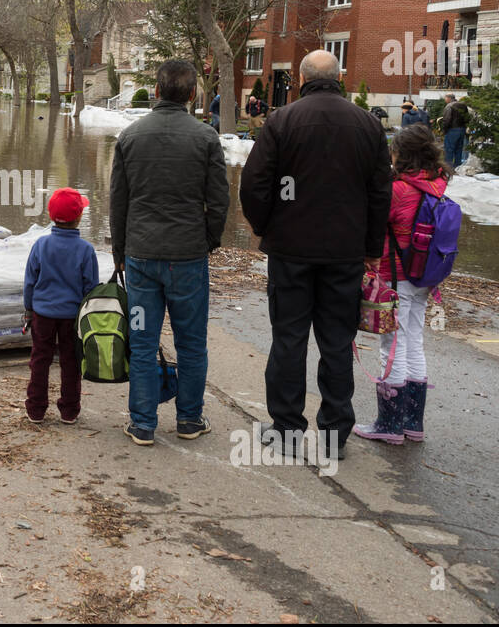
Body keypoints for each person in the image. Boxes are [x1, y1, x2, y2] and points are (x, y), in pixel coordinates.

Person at [240, 49, 393, 459]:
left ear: (301, 79)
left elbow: (255, 183)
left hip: (291, 250)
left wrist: (265, 226)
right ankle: (334, 434)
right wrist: (371, 249)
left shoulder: (282, 121)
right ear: (339, 78)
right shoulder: (368, 125)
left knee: (289, 338)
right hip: (345, 253)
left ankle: (287, 427)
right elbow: (381, 194)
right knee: (337, 342)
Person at [110, 60, 229, 446]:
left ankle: (143, 423)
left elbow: (119, 202)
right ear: (193, 94)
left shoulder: (129, 136)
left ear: (156, 91)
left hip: (142, 258)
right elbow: (219, 198)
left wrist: (120, 252)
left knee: (143, 341)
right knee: (191, 342)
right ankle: (189, 420)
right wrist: (209, 238)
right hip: (188, 257)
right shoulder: (206, 137)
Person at [353, 125, 449, 445]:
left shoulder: (398, 191)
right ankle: (412, 423)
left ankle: (389, 424)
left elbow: (372, 223)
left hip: (397, 279)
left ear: (401, 155)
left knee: (391, 348)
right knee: (414, 343)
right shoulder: (437, 186)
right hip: (424, 279)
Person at [23, 188, 100, 424]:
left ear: (51, 215)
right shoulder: (86, 250)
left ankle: (36, 409)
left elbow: (30, 282)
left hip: (42, 314)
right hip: (72, 317)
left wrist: (28, 310)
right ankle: (69, 411)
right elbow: (91, 287)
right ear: (78, 218)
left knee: (40, 360)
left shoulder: (41, 245)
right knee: (71, 362)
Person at [439, 93, 469, 167]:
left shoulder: (449, 106)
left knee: (449, 149)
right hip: (462, 129)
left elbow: (447, 119)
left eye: (445, 98)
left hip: (452, 129)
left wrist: (444, 130)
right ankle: (457, 166)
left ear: (449, 98)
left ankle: (448, 167)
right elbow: (467, 118)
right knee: (459, 149)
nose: (445, 99)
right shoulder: (463, 105)